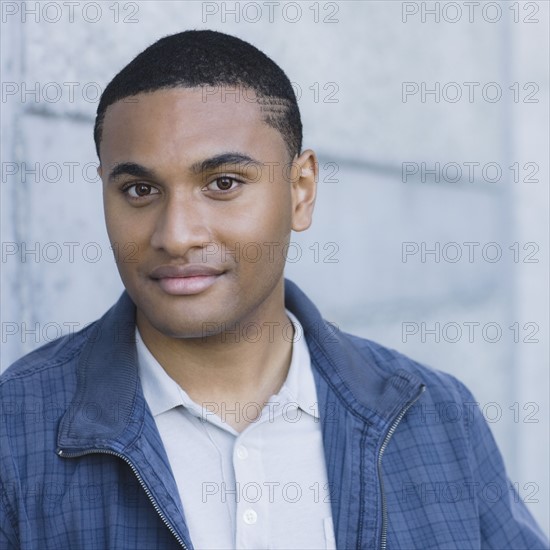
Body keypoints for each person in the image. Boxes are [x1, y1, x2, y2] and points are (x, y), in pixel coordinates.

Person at [0, 29, 547, 550]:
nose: (176, 235)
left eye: (223, 183)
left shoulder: (436, 416)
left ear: (301, 191)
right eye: (139, 190)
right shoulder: (15, 429)